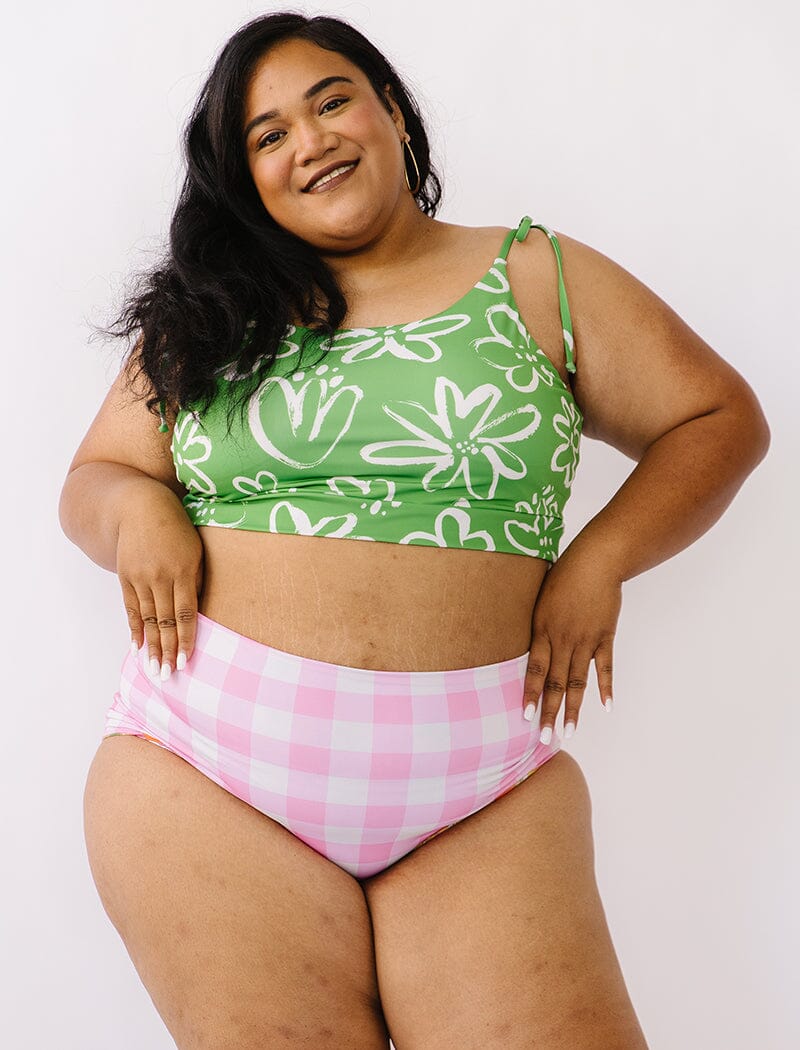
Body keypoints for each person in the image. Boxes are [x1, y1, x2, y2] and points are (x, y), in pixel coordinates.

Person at [59, 11, 770, 1050]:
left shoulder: (534, 273)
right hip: (205, 771)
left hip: (475, 789)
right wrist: (138, 510)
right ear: (243, 178)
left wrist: (599, 561)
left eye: (332, 100)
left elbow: (716, 419)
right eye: (266, 135)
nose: (309, 140)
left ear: (391, 112)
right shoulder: (210, 312)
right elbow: (97, 474)